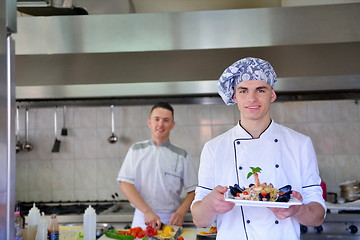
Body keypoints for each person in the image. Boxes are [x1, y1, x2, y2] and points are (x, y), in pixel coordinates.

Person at [191, 57, 326, 239]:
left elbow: (317, 216)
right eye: (243, 90)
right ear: (234, 96)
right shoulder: (214, 148)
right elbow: (199, 220)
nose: (252, 98)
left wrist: (296, 211)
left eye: (260, 90)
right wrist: (210, 204)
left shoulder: (300, 144)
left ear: (272, 94)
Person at [117, 102, 198, 229]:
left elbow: (193, 190)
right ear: (149, 122)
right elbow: (125, 183)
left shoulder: (182, 155)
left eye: (166, 120)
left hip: (170, 221)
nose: (160, 124)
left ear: (172, 124)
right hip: (142, 218)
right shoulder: (136, 150)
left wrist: (181, 212)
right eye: (157, 119)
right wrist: (147, 211)